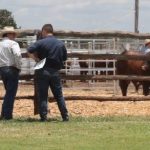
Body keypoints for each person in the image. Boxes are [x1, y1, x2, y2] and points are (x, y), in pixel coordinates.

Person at [27, 24, 69, 121]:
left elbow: (29, 50)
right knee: (59, 95)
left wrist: (36, 59)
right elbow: (64, 58)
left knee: (43, 95)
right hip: (55, 71)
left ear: (44, 31)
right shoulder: (60, 44)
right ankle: (65, 116)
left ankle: (43, 117)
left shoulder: (41, 42)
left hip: (42, 70)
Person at [0, 26, 22, 120]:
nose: (14, 36)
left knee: (8, 92)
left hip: (2, 69)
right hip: (11, 69)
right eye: (13, 34)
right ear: (9, 34)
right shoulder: (13, 43)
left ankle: (4, 113)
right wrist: (18, 66)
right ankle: (7, 115)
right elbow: (17, 54)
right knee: (11, 93)